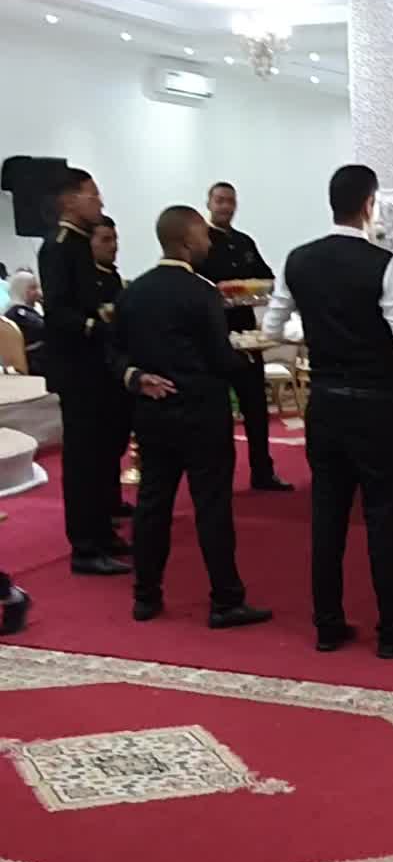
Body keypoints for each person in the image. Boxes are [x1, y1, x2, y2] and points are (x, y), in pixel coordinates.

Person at [262, 163, 393, 656]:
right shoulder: (383, 264)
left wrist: (317, 332)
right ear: (370, 204)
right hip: (376, 407)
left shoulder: (297, 259)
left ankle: (327, 624)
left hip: (325, 404)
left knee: (327, 517)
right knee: (382, 518)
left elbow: (274, 329)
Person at [114, 206, 271, 629]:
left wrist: (134, 378)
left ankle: (145, 595)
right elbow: (219, 358)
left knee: (152, 504)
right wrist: (249, 356)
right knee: (212, 507)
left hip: (153, 413)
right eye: (203, 234)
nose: (209, 241)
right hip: (202, 413)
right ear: (185, 241)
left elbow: (114, 351)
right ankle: (226, 599)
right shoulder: (202, 293)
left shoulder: (134, 291)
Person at [38, 167, 131, 574]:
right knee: (82, 459)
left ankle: (102, 530)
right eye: (93, 195)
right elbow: (59, 311)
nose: (100, 202)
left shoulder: (79, 243)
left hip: (97, 365)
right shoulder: (59, 247)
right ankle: (85, 546)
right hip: (77, 367)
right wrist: (98, 325)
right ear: (69, 200)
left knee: (103, 452)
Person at [201, 180, 293, 494]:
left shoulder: (244, 242)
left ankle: (263, 472)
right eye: (220, 200)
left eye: (230, 201)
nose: (225, 206)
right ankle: (218, 478)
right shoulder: (200, 242)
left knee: (255, 408)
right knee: (217, 413)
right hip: (213, 337)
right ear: (209, 203)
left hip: (247, 337)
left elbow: (266, 278)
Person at [90, 213, 134, 519]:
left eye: (115, 239)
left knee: (116, 440)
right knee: (100, 447)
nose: (113, 246)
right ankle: (101, 507)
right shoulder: (87, 281)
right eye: (105, 240)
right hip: (96, 371)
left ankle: (112, 501)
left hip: (118, 368)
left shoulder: (114, 278)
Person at [5, 270, 46, 375]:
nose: (38, 292)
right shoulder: (18, 313)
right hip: (35, 362)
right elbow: (44, 328)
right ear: (21, 289)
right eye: (33, 288)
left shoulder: (32, 309)